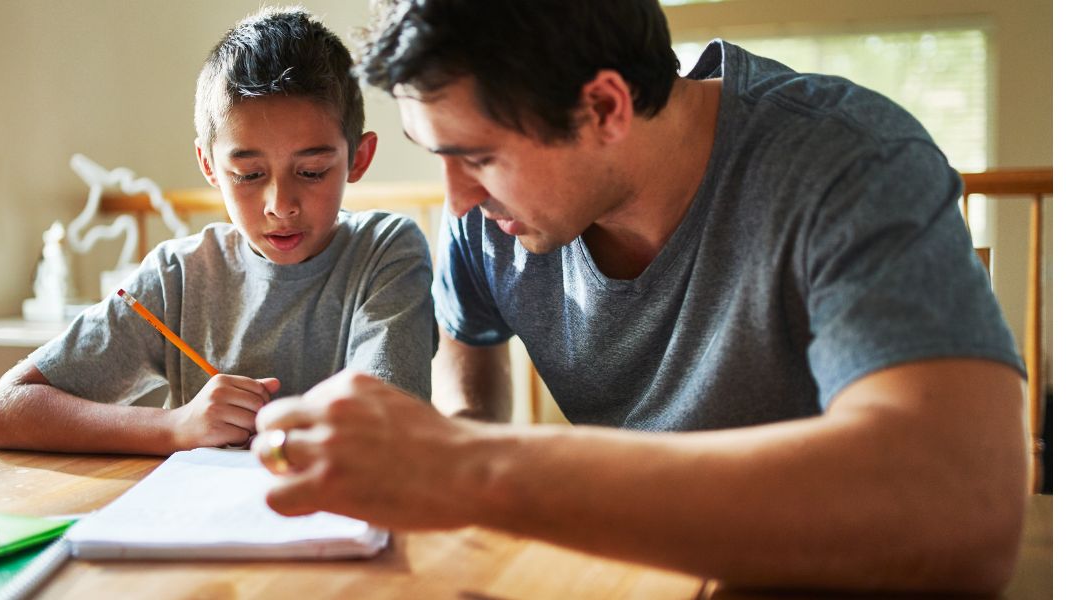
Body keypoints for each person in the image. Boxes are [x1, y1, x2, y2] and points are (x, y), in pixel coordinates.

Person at [251, 0, 1028, 594]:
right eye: (440, 155)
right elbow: (468, 387)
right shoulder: (488, 226)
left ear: (606, 108)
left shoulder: (847, 161)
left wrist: (473, 466)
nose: (456, 200)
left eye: (479, 157)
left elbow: (965, 506)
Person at [0, 7, 437, 455]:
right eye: (250, 175)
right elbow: (3, 409)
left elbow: (388, 425)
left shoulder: (386, 252)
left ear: (358, 157)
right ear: (209, 166)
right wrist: (174, 427)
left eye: (312, 171)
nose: (281, 206)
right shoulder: (179, 276)